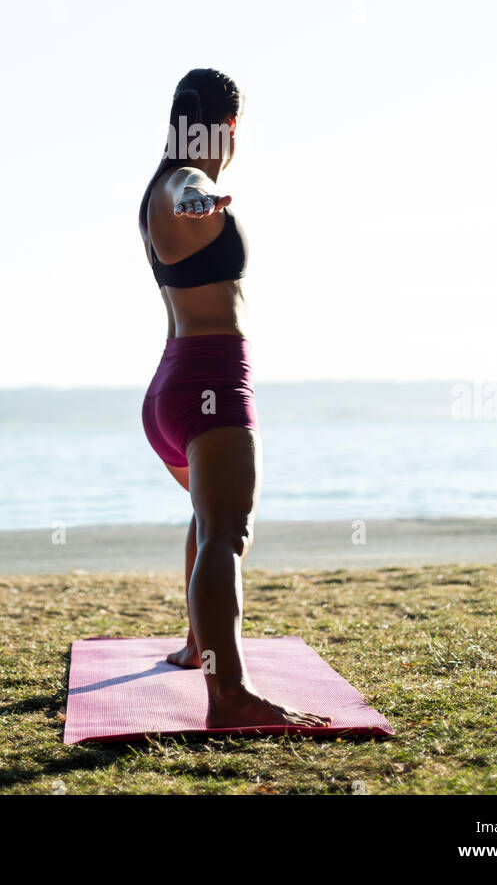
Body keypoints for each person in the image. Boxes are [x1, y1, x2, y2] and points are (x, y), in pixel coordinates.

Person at [139, 68, 329, 729]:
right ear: (230, 126)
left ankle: (199, 646)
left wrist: (197, 200)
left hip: (172, 385)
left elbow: (182, 193)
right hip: (209, 382)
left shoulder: (155, 187)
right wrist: (202, 201)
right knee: (228, 529)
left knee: (207, 516)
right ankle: (229, 695)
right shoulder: (181, 184)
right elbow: (190, 191)